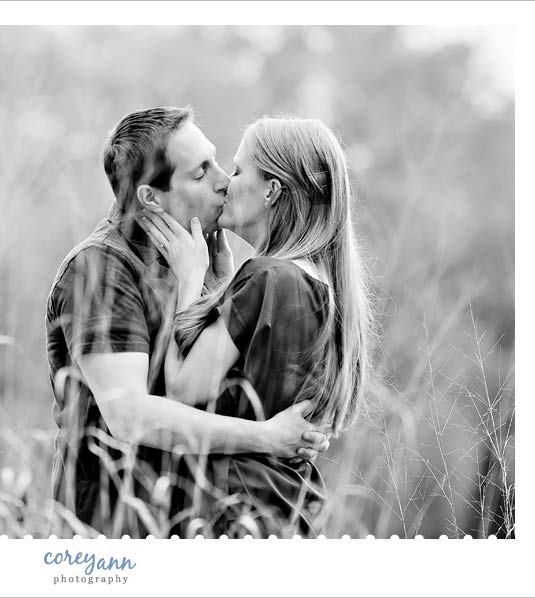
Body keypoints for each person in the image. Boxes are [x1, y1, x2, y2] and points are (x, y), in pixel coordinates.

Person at [45, 107, 331, 537]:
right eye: (201, 173)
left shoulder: (196, 261)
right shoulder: (102, 269)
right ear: (151, 198)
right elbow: (129, 415)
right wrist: (268, 438)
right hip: (112, 531)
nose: (224, 181)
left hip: (186, 525)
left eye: (218, 162)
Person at [138, 116, 374, 537]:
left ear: (272, 189)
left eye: (240, 169)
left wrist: (191, 280)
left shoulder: (268, 278)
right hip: (286, 512)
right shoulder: (321, 287)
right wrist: (225, 288)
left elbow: (182, 391)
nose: (227, 182)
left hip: (230, 513)